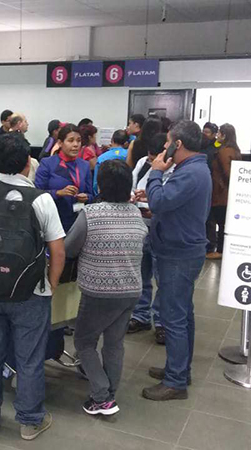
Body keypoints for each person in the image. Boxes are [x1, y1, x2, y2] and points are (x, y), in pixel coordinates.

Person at [0, 133, 64, 441]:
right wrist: (51, 284)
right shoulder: (42, 199)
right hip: (31, 293)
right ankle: (30, 422)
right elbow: (57, 250)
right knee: (29, 357)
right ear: (25, 164)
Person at [65, 159, 147, 416]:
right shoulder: (136, 214)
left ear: (101, 185)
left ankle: (101, 396)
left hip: (98, 292)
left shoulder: (90, 214)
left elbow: (69, 249)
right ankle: (110, 389)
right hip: (131, 290)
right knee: (114, 344)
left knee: (84, 342)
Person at [138, 121, 211, 401]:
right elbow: (168, 203)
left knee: (174, 318)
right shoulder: (191, 170)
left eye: (169, 142)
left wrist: (155, 174)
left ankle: (176, 380)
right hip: (181, 249)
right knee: (183, 314)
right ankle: (178, 368)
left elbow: (161, 203)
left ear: (177, 144)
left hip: (178, 254)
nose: (165, 147)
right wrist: (153, 192)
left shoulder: (190, 173)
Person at [128, 133, 175, 344]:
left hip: (162, 228)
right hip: (139, 226)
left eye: (154, 157)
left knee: (162, 279)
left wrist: (154, 211)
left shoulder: (175, 170)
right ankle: (140, 316)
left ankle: (162, 323)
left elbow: (171, 200)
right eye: (148, 157)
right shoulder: (141, 163)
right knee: (141, 275)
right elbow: (133, 183)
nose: (150, 161)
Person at [35, 124, 94, 231]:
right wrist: (58, 193)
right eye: (71, 140)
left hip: (78, 220)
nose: (76, 145)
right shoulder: (48, 163)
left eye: (79, 140)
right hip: (53, 219)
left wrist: (86, 197)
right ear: (60, 143)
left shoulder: (84, 165)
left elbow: (91, 195)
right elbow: (37, 193)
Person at [206, 124, 242, 260]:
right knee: (224, 222)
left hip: (221, 192)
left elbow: (228, 173)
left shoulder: (224, 151)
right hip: (227, 192)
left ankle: (220, 250)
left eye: (219, 133)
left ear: (224, 135)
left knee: (220, 222)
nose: (217, 136)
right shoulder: (234, 150)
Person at [92, 129, 130, 196]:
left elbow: (95, 184)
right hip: (125, 196)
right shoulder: (130, 155)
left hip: (105, 197)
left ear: (111, 141)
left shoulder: (101, 158)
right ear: (126, 143)